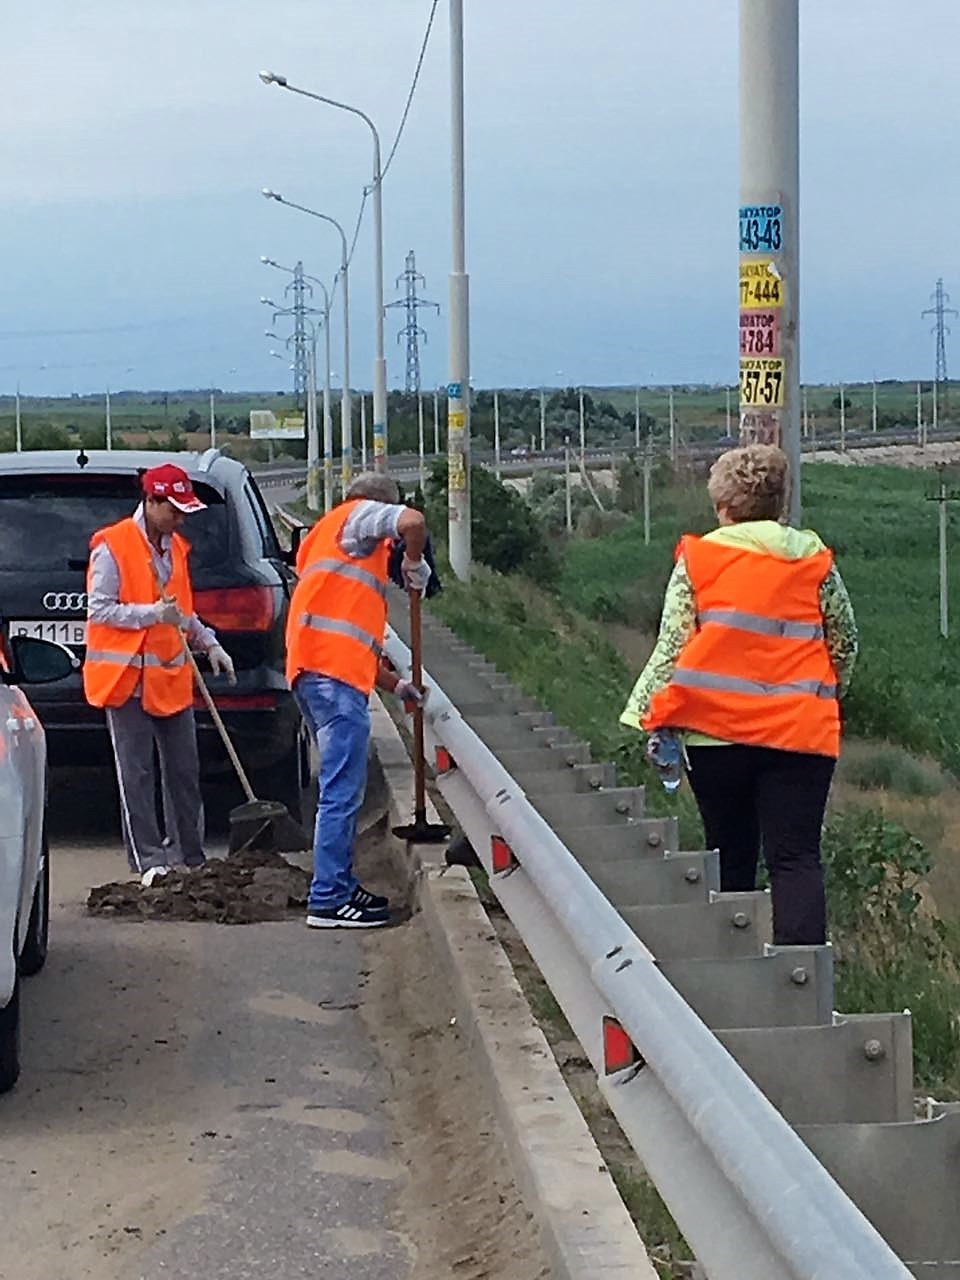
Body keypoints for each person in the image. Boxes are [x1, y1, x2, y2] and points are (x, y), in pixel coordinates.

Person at [620, 444, 858, 946]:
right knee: (795, 859)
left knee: (730, 852)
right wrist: (826, 696)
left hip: (715, 739)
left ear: (723, 506)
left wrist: (649, 716)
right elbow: (845, 641)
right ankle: (804, 985)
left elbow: (672, 647)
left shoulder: (701, 559)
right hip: (798, 735)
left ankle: (736, 973)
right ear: (779, 502)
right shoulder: (813, 559)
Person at [286, 473, 430, 929]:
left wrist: (396, 685)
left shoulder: (325, 538)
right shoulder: (360, 516)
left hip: (318, 673)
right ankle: (328, 898)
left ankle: (340, 887)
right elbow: (413, 521)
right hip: (332, 679)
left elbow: (348, 637)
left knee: (340, 789)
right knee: (341, 792)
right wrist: (413, 561)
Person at [84, 463, 236, 887]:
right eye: (174, 509)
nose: (180, 518)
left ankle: (190, 855)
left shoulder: (177, 548)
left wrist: (209, 643)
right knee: (137, 773)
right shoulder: (113, 547)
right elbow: (100, 609)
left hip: (169, 678)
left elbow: (181, 609)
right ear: (150, 502)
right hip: (125, 680)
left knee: (184, 770)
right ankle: (150, 861)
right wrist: (152, 614)